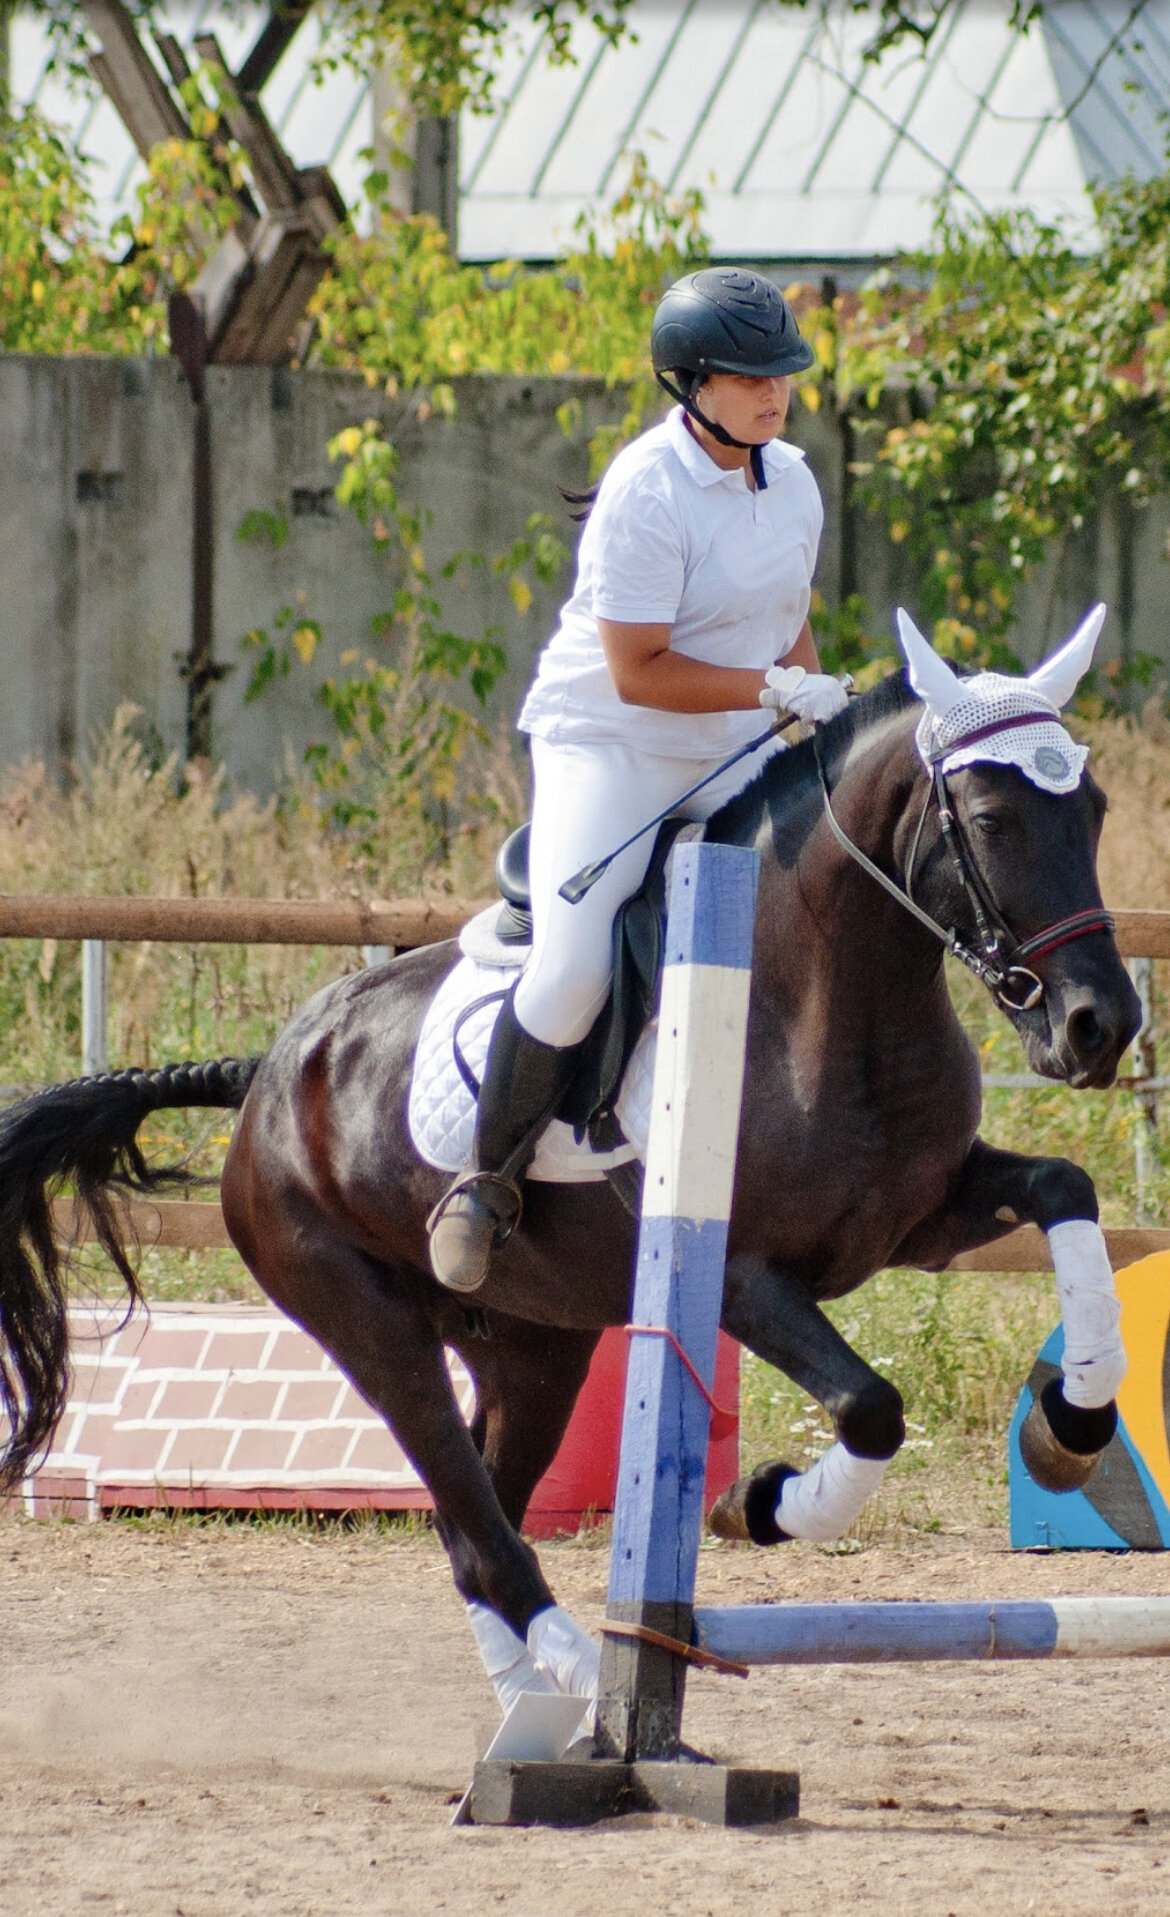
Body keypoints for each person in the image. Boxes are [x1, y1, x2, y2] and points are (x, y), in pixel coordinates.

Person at [427, 266, 847, 1292]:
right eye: (750, 377)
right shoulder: (646, 491)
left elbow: (784, 622)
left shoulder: (791, 479)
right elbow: (639, 672)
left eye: (782, 374)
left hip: (737, 740)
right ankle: (486, 1180)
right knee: (573, 970)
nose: (774, 393)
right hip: (612, 747)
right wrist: (773, 691)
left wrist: (804, 698)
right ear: (689, 383)